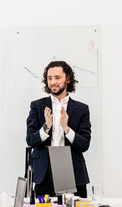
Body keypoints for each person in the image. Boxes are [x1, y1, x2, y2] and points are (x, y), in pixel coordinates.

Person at [26, 61, 91, 198]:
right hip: (44, 173)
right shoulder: (37, 106)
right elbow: (30, 139)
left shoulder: (82, 109)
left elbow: (84, 144)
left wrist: (67, 129)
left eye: (57, 78)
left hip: (73, 172)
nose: (53, 82)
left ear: (67, 79)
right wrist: (46, 127)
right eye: (49, 78)